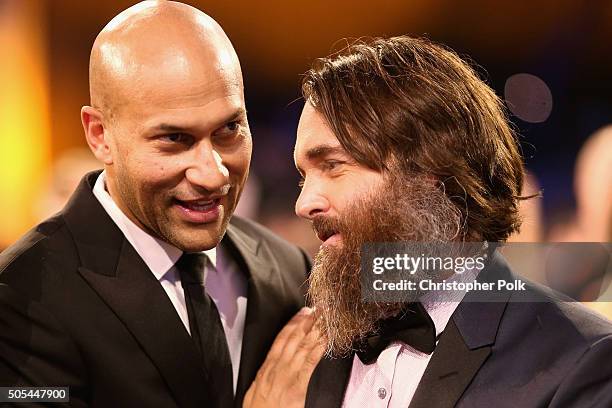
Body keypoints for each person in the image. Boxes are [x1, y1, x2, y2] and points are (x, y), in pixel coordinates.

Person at [0, 2, 311, 407]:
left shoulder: (286, 267)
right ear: (100, 136)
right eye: (175, 139)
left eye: (229, 129)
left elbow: (409, 280)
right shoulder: (20, 300)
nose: (213, 173)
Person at [287, 36, 612, 407]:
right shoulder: (310, 349)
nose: (303, 203)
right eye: (303, 176)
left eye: (332, 166)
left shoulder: (582, 361)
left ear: (428, 169)